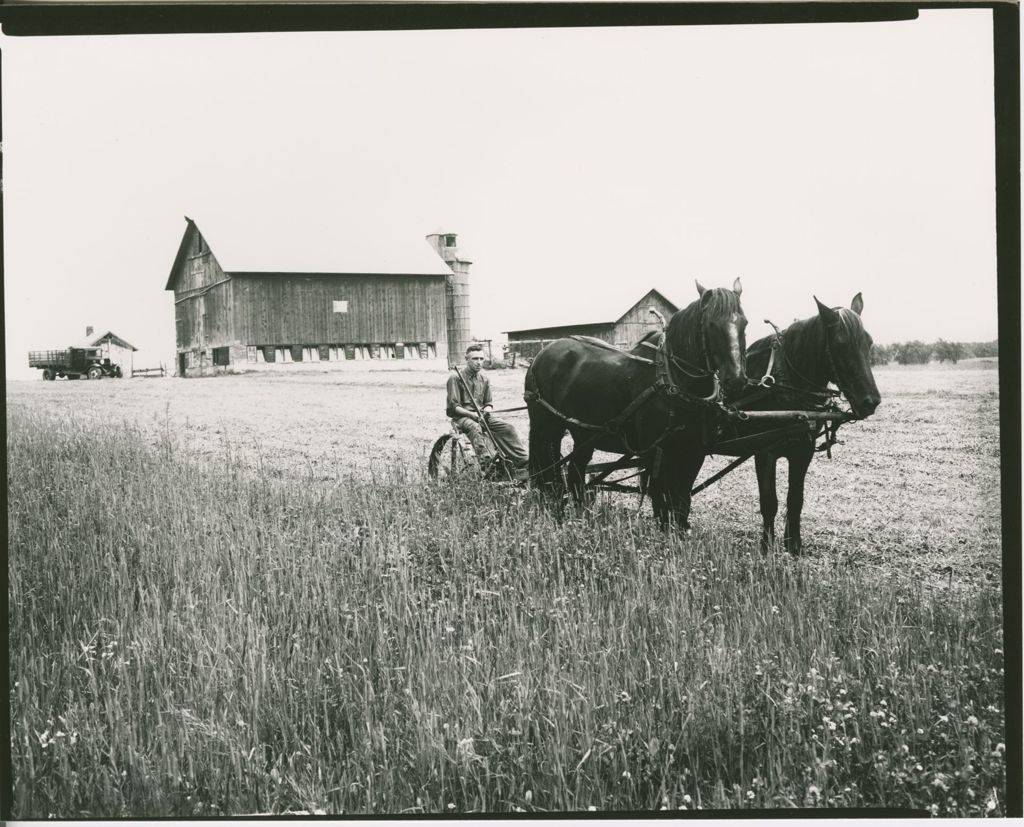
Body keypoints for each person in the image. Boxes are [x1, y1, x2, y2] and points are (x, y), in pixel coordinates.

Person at [446, 344, 530, 482]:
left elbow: (488, 403)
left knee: (507, 427)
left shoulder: (484, 379)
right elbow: (453, 407)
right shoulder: (455, 378)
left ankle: (522, 462)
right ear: (466, 359)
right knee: (475, 428)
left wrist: (487, 410)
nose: (479, 362)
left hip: (482, 416)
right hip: (462, 418)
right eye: (475, 359)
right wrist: (472, 415)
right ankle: (489, 466)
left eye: (481, 358)